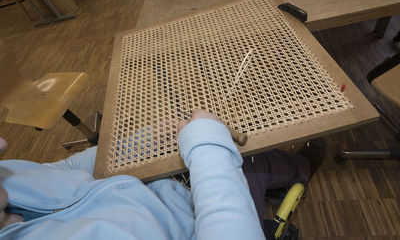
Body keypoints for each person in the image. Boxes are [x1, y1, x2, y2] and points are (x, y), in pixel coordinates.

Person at [0, 110, 323, 239]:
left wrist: (147, 139)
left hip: (158, 192)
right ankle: (301, 170)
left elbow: (65, 170)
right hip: (196, 224)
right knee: (251, 161)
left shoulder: (5, 177)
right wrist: (207, 145)